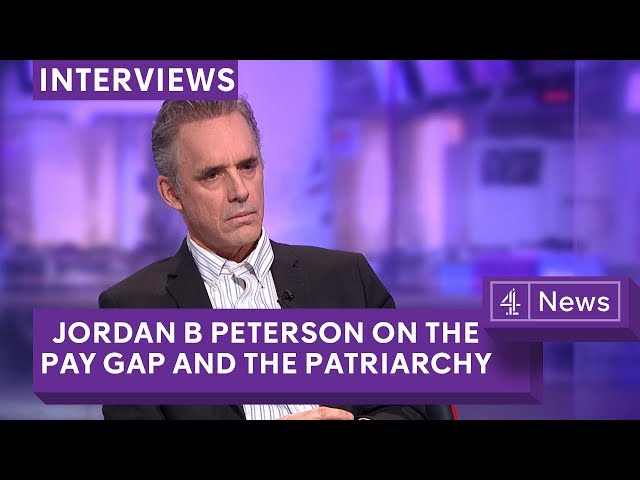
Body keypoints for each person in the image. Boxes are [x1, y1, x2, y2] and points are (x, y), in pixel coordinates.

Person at [99, 97, 455, 420]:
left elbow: (410, 408)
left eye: (248, 166)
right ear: (171, 193)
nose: (240, 191)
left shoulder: (349, 279)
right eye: (212, 175)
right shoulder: (131, 312)